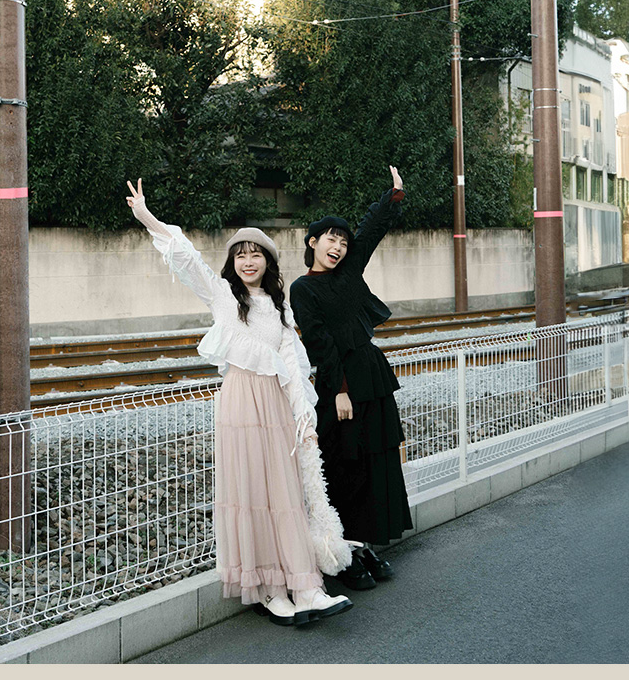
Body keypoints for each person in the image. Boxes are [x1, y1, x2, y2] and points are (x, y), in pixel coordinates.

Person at [125, 179, 352, 626]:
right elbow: (186, 258)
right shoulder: (223, 295)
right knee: (250, 494)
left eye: (256, 254)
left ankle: (306, 587)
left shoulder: (278, 306)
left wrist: (304, 414)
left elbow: (293, 365)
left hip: (276, 405)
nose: (248, 261)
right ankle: (270, 589)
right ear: (232, 262)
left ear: (268, 261)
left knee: (285, 494)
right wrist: (147, 216)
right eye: (240, 255)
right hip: (241, 403)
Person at [289, 165, 413, 591]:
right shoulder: (303, 289)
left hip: (371, 373)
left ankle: (364, 545)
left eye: (343, 242)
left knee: (376, 461)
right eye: (331, 239)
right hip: (339, 383)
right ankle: (343, 551)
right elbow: (319, 343)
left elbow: (371, 231)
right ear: (313, 243)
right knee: (346, 466)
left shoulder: (349, 270)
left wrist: (393, 196)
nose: (339, 247)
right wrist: (340, 390)